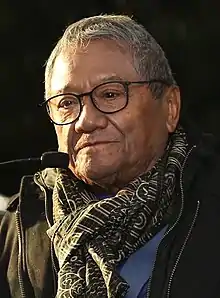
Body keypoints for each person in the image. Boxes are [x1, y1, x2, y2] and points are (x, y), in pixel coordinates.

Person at [0, 14, 220, 298]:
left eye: (110, 95)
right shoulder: (17, 231)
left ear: (169, 107)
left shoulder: (211, 204)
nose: (86, 121)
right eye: (67, 103)